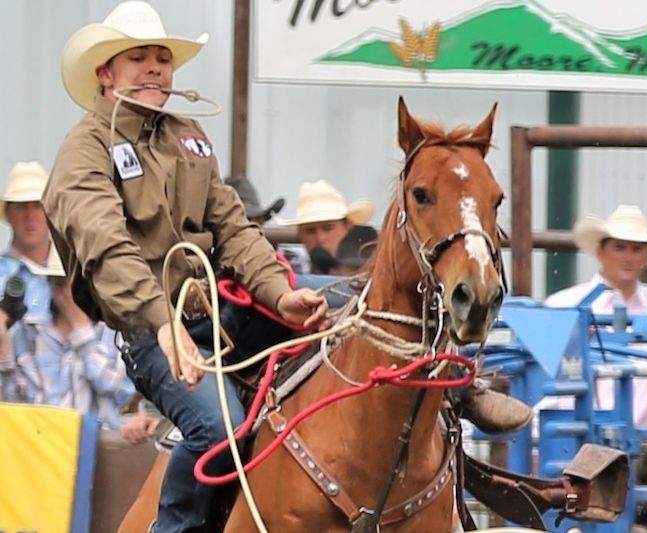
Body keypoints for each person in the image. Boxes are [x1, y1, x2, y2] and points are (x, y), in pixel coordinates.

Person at [43, 3, 328, 532]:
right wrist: (163, 323)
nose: (155, 67)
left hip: (222, 311)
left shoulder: (189, 137)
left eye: (162, 58)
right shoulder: (83, 153)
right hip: (150, 334)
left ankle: (451, 407)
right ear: (106, 74)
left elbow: (236, 228)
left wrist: (278, 292)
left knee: (344, 306)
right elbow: (108, 250)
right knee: (218, 428)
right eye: (138, 57)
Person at [544, 204, 647, 426]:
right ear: (600, 253)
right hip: (575, 435)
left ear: (646, 256)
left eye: (637, 249)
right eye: (619, 247)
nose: (628, 257)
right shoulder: (562, 305)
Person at [0, 276, 136, 429]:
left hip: (96, 445)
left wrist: (82, 332)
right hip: (39, 442)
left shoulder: (113, 334)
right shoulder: (26, 334)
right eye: (62, 284)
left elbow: (121, 392)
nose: (71, 293)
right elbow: (12, 406)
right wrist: (4, 355)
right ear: (52, 285)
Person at [0, 161, 65, 322]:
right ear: (9, 213)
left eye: (38, 206)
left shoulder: (75, 274)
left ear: (51, 212)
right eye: (21, 206)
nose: (30, 216)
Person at [275, 179, 375, 274]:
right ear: (300, 234)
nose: (320, 239)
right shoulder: (285, 270)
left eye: (328, 228)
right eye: (310, 231)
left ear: (348, 226)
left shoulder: (374, 271)